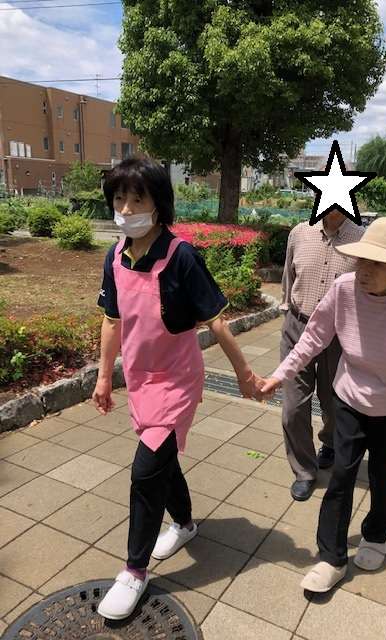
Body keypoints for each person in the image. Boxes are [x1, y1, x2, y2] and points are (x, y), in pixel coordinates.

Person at [92, 157, 262, 619]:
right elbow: (112, 321)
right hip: (140, 379)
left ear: (159, 203)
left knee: (145, 472)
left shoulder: (181, 256)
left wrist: (245, 375)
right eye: (119, 199)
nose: (126, 209)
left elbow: (217, 322)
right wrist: (105, 377)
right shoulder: (116, 256)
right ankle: (184, 524)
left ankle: (134, 570)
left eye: (138, 199)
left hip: (177, 381)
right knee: (162, 463)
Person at [261, 217, 386, 592]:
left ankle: (376, 536)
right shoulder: (344, 288)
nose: (364, 270)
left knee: (384, 478)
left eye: (377, 264)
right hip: (349, 398)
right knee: (341, 475)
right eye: (362, 260)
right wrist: (280, 375)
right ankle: (331, 557)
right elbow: (313, 337)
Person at [280, 209, 364, 501]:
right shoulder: (299, 232)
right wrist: (287, 310)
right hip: (297, 327)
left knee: (333, 402)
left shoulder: (361, 239)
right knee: (293, 408)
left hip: (338, 334)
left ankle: (329, 442)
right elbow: (289, 276)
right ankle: (304, 471)